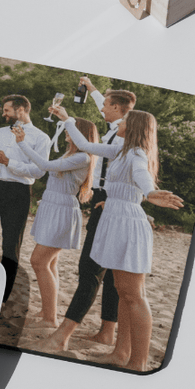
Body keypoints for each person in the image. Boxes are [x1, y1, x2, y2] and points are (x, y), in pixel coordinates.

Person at [50, 104, 183, 372]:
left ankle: (139, 362)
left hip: (127, 223)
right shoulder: (119, 150)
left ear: (131, 126)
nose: (119, 121)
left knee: (134, 295)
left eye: (124, 119)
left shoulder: (136, 154)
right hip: (115, 217)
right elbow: (84, 143)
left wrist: (150, 193)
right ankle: (121, 354)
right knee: (124, 293)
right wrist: (67, 119)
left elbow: (142, 176)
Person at [33, 80, 135, 353]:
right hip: (105, 199)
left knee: (90, 271)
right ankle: (106, 332)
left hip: (112, 201)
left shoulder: (125, 136)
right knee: (109, 272)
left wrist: (67, 119)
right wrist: (90, 88)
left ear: (118, 109)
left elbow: (87, 144)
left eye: (105, 105)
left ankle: (65, 333)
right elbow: (107, 109)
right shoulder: (117, 131)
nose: (101, 108)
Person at [12, 117, 98, 327]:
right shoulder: (71, 154)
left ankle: (50, 318)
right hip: (52, 206)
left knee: (38, 261)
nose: (65, 131)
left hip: (62, 210)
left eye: (70, 128)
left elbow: (45, 165)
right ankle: (47, 312)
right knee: (50, 262)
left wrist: (22, 142)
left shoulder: (83, 158)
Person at [0, 95, 50, 302]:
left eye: (6, 110)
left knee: (11, 244)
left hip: (18, 191)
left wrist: (9, 162)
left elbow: (39, 171)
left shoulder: (41, 138)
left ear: (20, 110)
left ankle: (3, 294)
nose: (3, 114)